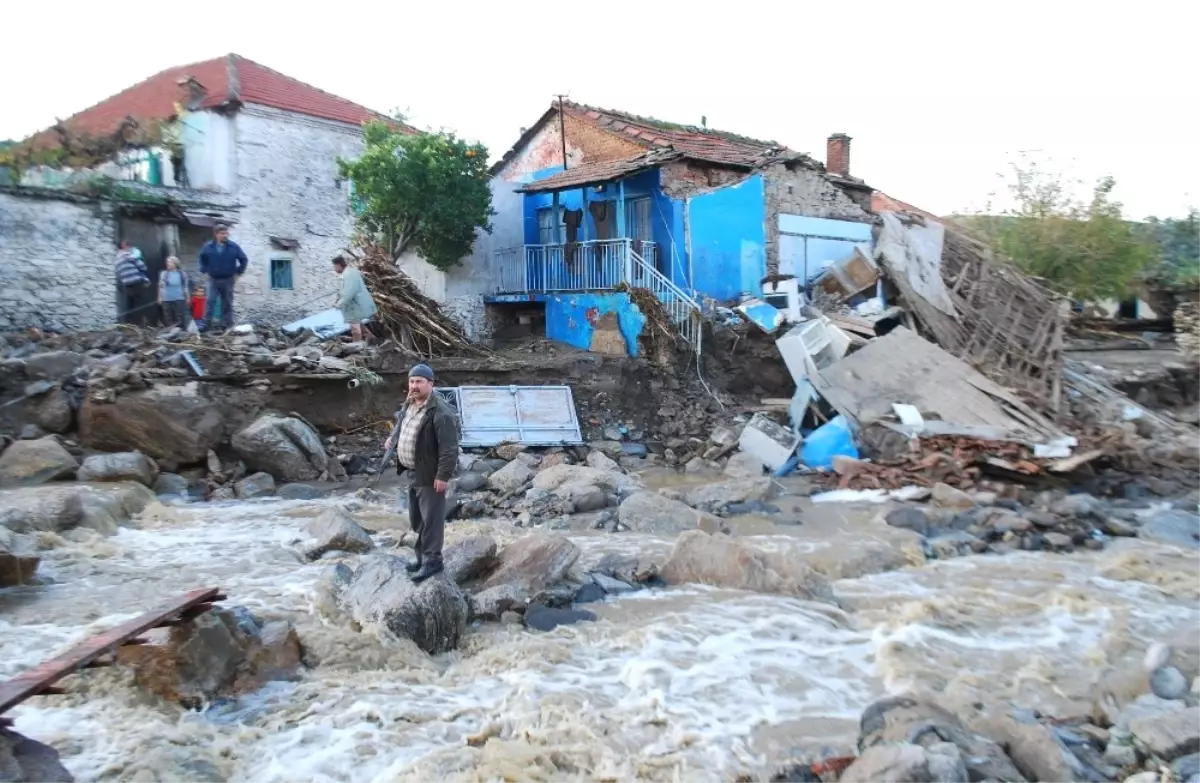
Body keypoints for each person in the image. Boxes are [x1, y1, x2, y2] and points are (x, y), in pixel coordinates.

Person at [383, 364, 459, 583]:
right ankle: (421, 558)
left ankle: (433, 562)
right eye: (411, 381)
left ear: (431, 384)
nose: (414, 386)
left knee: (432, 520)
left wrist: (443, 476)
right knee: (417, 520)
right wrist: (393, 439)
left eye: (419, 382)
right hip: (412, 472)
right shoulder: (410, 403)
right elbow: (402, 427)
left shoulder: (441, 412)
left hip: (430, 474)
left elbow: (449, 448)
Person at [197, 223, 248, 332]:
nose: (225, 235)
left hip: (228, 279)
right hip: (213, 279)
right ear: (216, 234)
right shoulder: (208, 247)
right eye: (222, 233)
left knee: (227, 302)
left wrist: (238, 273)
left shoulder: (233, 247)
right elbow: (202, 259)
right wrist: (204, 271)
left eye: (226, 233)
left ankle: (227, 325)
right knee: (210, 301)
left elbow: (244, 259)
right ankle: (206, 325)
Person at [332, 255, 377, 341]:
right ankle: (373, 340)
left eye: (334, 266)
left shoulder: (349, 275)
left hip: (354, 306)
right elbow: (345, 291)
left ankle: (357, 348)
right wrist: (338, 298)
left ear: (338, 265)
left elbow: (349, 293)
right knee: (359, 325)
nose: (334, 269)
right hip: (356, 305)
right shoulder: (350, 273)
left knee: (355, 329)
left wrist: (339, 304)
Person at [114, 240, 150, 324]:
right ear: (124, 246)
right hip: (137, 282)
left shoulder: (116, 260)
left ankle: (130, 324)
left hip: (126, 284)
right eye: (128, 246)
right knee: (141, 303)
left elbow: (118, 274)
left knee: (130, 304)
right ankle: (141, 324)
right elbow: (143, 267)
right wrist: (144, 278)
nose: (130, 248)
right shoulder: (129, 256)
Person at [157, 256, 191, 327]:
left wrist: (188, 298)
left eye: (170, 262)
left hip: (179, 299)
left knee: (179, 317)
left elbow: (185, 287)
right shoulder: (164, 274)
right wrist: (159, 297)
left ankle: (180, 331)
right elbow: (160, 286)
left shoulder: (182, 274)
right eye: (167, 262)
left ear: (175, 264)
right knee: (168, 318)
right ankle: (170, 332)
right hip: (166, 299)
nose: (168, 264)